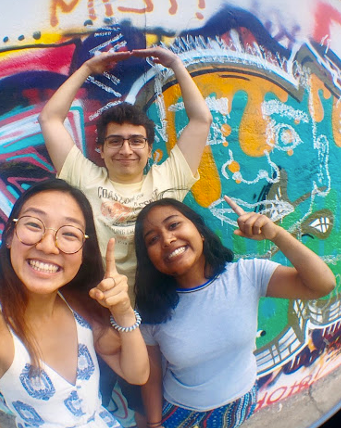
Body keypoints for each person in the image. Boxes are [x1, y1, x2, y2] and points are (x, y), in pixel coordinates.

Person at [0, 179, 149, 428]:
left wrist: (124, 312)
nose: (48, 245)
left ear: (82, 251)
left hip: (101, 426)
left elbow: (136, 373)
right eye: (34, 225)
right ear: (10, 236)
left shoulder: (79, 304)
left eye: (69, 233)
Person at [134, 195, 336, 428]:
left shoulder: (247, 275)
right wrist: (155, 423)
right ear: (149, 258)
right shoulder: (152, 310)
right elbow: (152, 374)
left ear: (201, 232)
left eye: (173, 226)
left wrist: (276, 234)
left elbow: (321, 285)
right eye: (152, 239)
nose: (167, 240)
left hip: (237, 398)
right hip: (178, 404)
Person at [38, 46, 213, 295]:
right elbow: (50, 119)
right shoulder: (83, 177)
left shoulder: (169, 178)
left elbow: (201, 120)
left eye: (136, 141)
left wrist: (176, 64)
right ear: (101, 148)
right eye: (115, 141)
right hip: (100, 307)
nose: (126, 149)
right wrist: (86, 68)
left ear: (150, 149)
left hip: (160, 310)